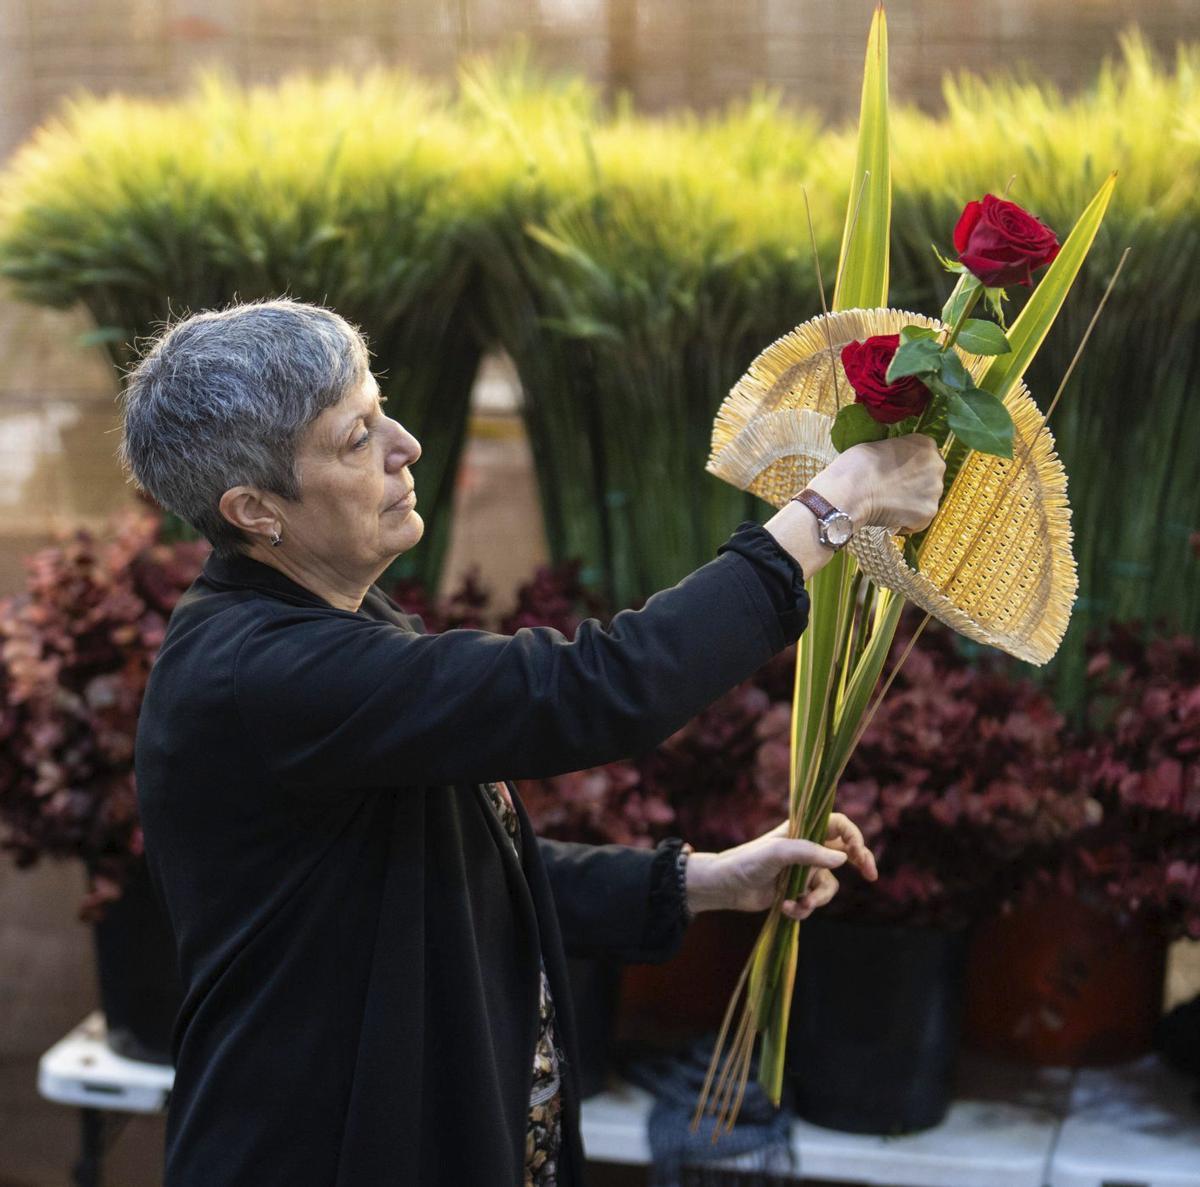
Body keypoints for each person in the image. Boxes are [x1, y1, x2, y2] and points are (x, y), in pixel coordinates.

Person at [121, 298, 944, 1187]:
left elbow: (450, 867)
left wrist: (697, 881)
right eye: (357, 438)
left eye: (380, 405)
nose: (406, 444)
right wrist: (833, 505)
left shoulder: (331, 621)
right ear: (253, 510)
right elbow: (597, 690)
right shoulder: (263, 672)